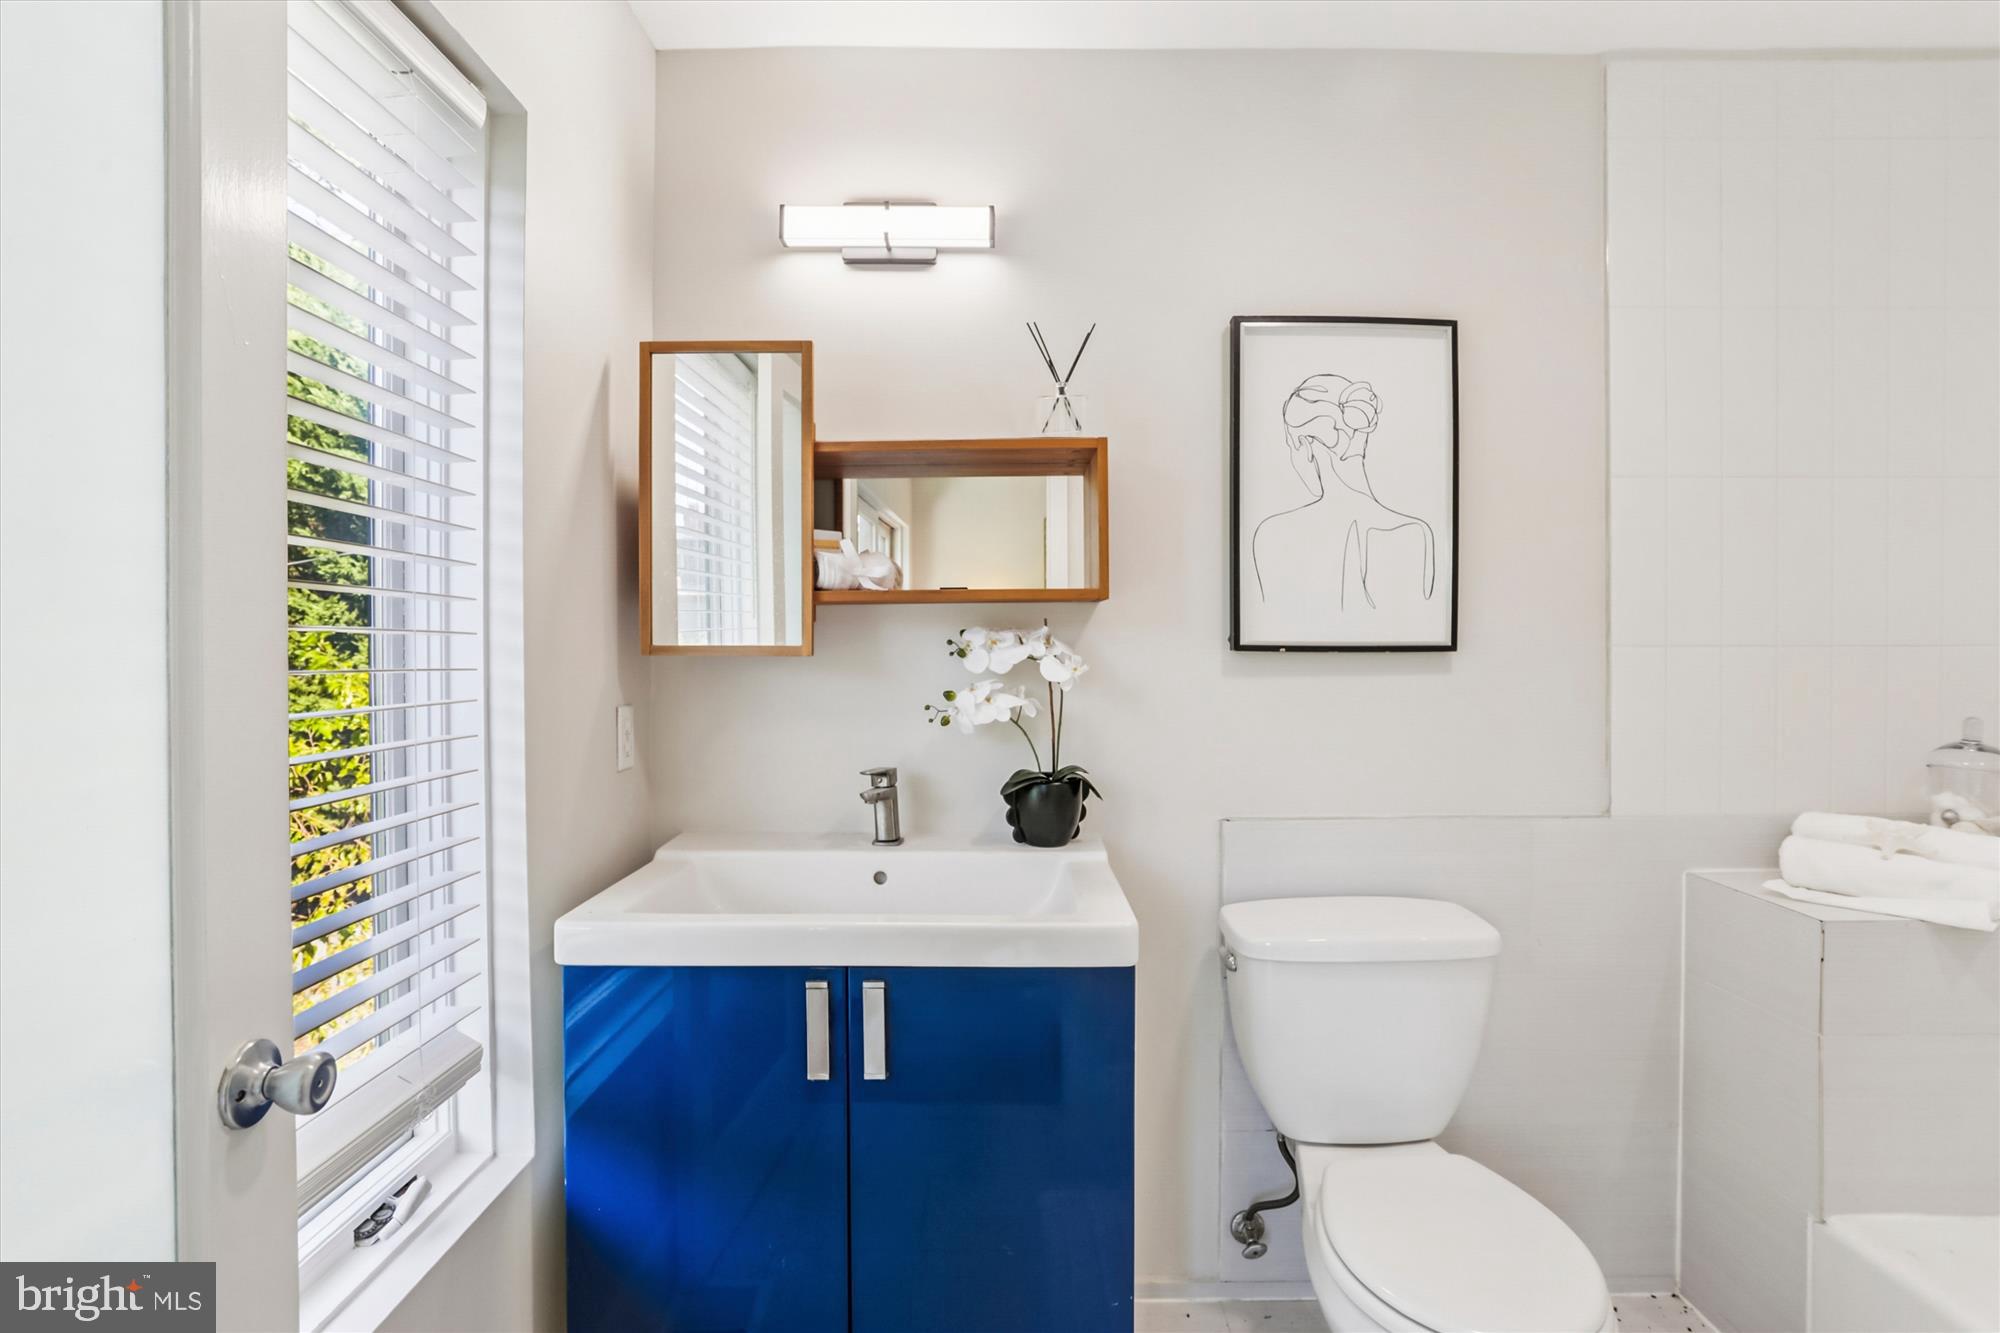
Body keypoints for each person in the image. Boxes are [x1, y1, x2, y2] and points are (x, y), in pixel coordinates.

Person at [1252, 373, 1435, 616]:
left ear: (1306, 446)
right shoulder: (1414, 532)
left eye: (1291, 446)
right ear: (1363, 436)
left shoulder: (1271, 534)